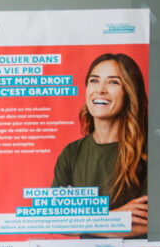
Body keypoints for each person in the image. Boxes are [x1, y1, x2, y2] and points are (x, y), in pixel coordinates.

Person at [51, 53, 149, 237]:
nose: (100, 90)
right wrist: (114, 218)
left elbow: (146, 224)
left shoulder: (147, 151)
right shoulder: (71, 153)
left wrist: (82, 221)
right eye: (94, 81)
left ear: (129, 91)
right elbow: (55, 222)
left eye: (113, 82)